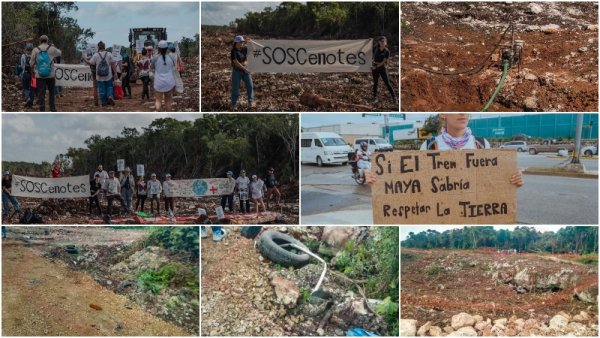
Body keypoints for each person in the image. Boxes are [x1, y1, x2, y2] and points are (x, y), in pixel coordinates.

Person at [420, 114, 524, 187]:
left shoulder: (482, 144)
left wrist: (512, 180)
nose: (463, 113)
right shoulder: (429, 146)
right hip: (443, 213)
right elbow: (420, 184)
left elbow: (491, 180)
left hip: (474, 212)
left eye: (466, 110)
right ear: (443, 114)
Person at [30, 35, 61, 112]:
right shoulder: (52, 49)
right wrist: (54, 46)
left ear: (40, 41)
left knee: (41, 93)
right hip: (51, 75)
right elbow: (59, 53)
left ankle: (42, 109)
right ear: (47, 41)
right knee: (52, 92)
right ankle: (52, 108)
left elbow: (31, 63)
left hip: (40, 76)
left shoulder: (35, 50)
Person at [84, 41, 118, 107]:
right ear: (104, 47)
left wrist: (85, 60)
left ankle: (104, 103)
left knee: (102, 89)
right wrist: (115, 73)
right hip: (108, 75)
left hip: (99, 76)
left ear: (98, 47)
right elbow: (113, 64)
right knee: (109, 86)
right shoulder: (109, 54)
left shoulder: (96, 55)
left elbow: (91, 63)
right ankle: (110, 96)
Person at [151, 40, 176, 111]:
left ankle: (158, 111)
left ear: (158, 48)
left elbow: (152, 68)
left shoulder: (155, 58)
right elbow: (174, 68)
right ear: (167, 48)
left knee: (158, 100)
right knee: (168, 101)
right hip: (169, 82)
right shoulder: (171, 57)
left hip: (158, 82)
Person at [230, 35, 254, 109]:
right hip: (237, 71)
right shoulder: (233, 51)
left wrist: (251, 42)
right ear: (236, 42)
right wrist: (245, 69)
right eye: (241, 42)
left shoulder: (244, 49)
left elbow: (253, 49)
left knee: (250, 85)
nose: (242, 43)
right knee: (235, 88)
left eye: (243, 42)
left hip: (245, 70)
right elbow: (236, 62)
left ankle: (250, 101)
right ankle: (233, 103)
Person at [371, 36, 396, 105]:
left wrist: (375, 67)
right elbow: (370, 55)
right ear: (379, 42)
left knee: (387, 83)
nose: (382, 43)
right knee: (375, 83)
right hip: (375, 68)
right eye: (381, 41)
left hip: (382, 68)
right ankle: (375, 97)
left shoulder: (387, 51)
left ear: (385, 43)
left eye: (383, 41)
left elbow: (383, 62)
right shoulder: (375, 49)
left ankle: (394, 97)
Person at [20, 43, 36, 108]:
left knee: (25, 87)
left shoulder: (23, 56)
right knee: (33, 88)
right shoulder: (35, 56)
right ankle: (31, 102)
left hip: (26, 74)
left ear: (26, 49)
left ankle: (28, 98)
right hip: (33, 75)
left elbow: (22, 66)